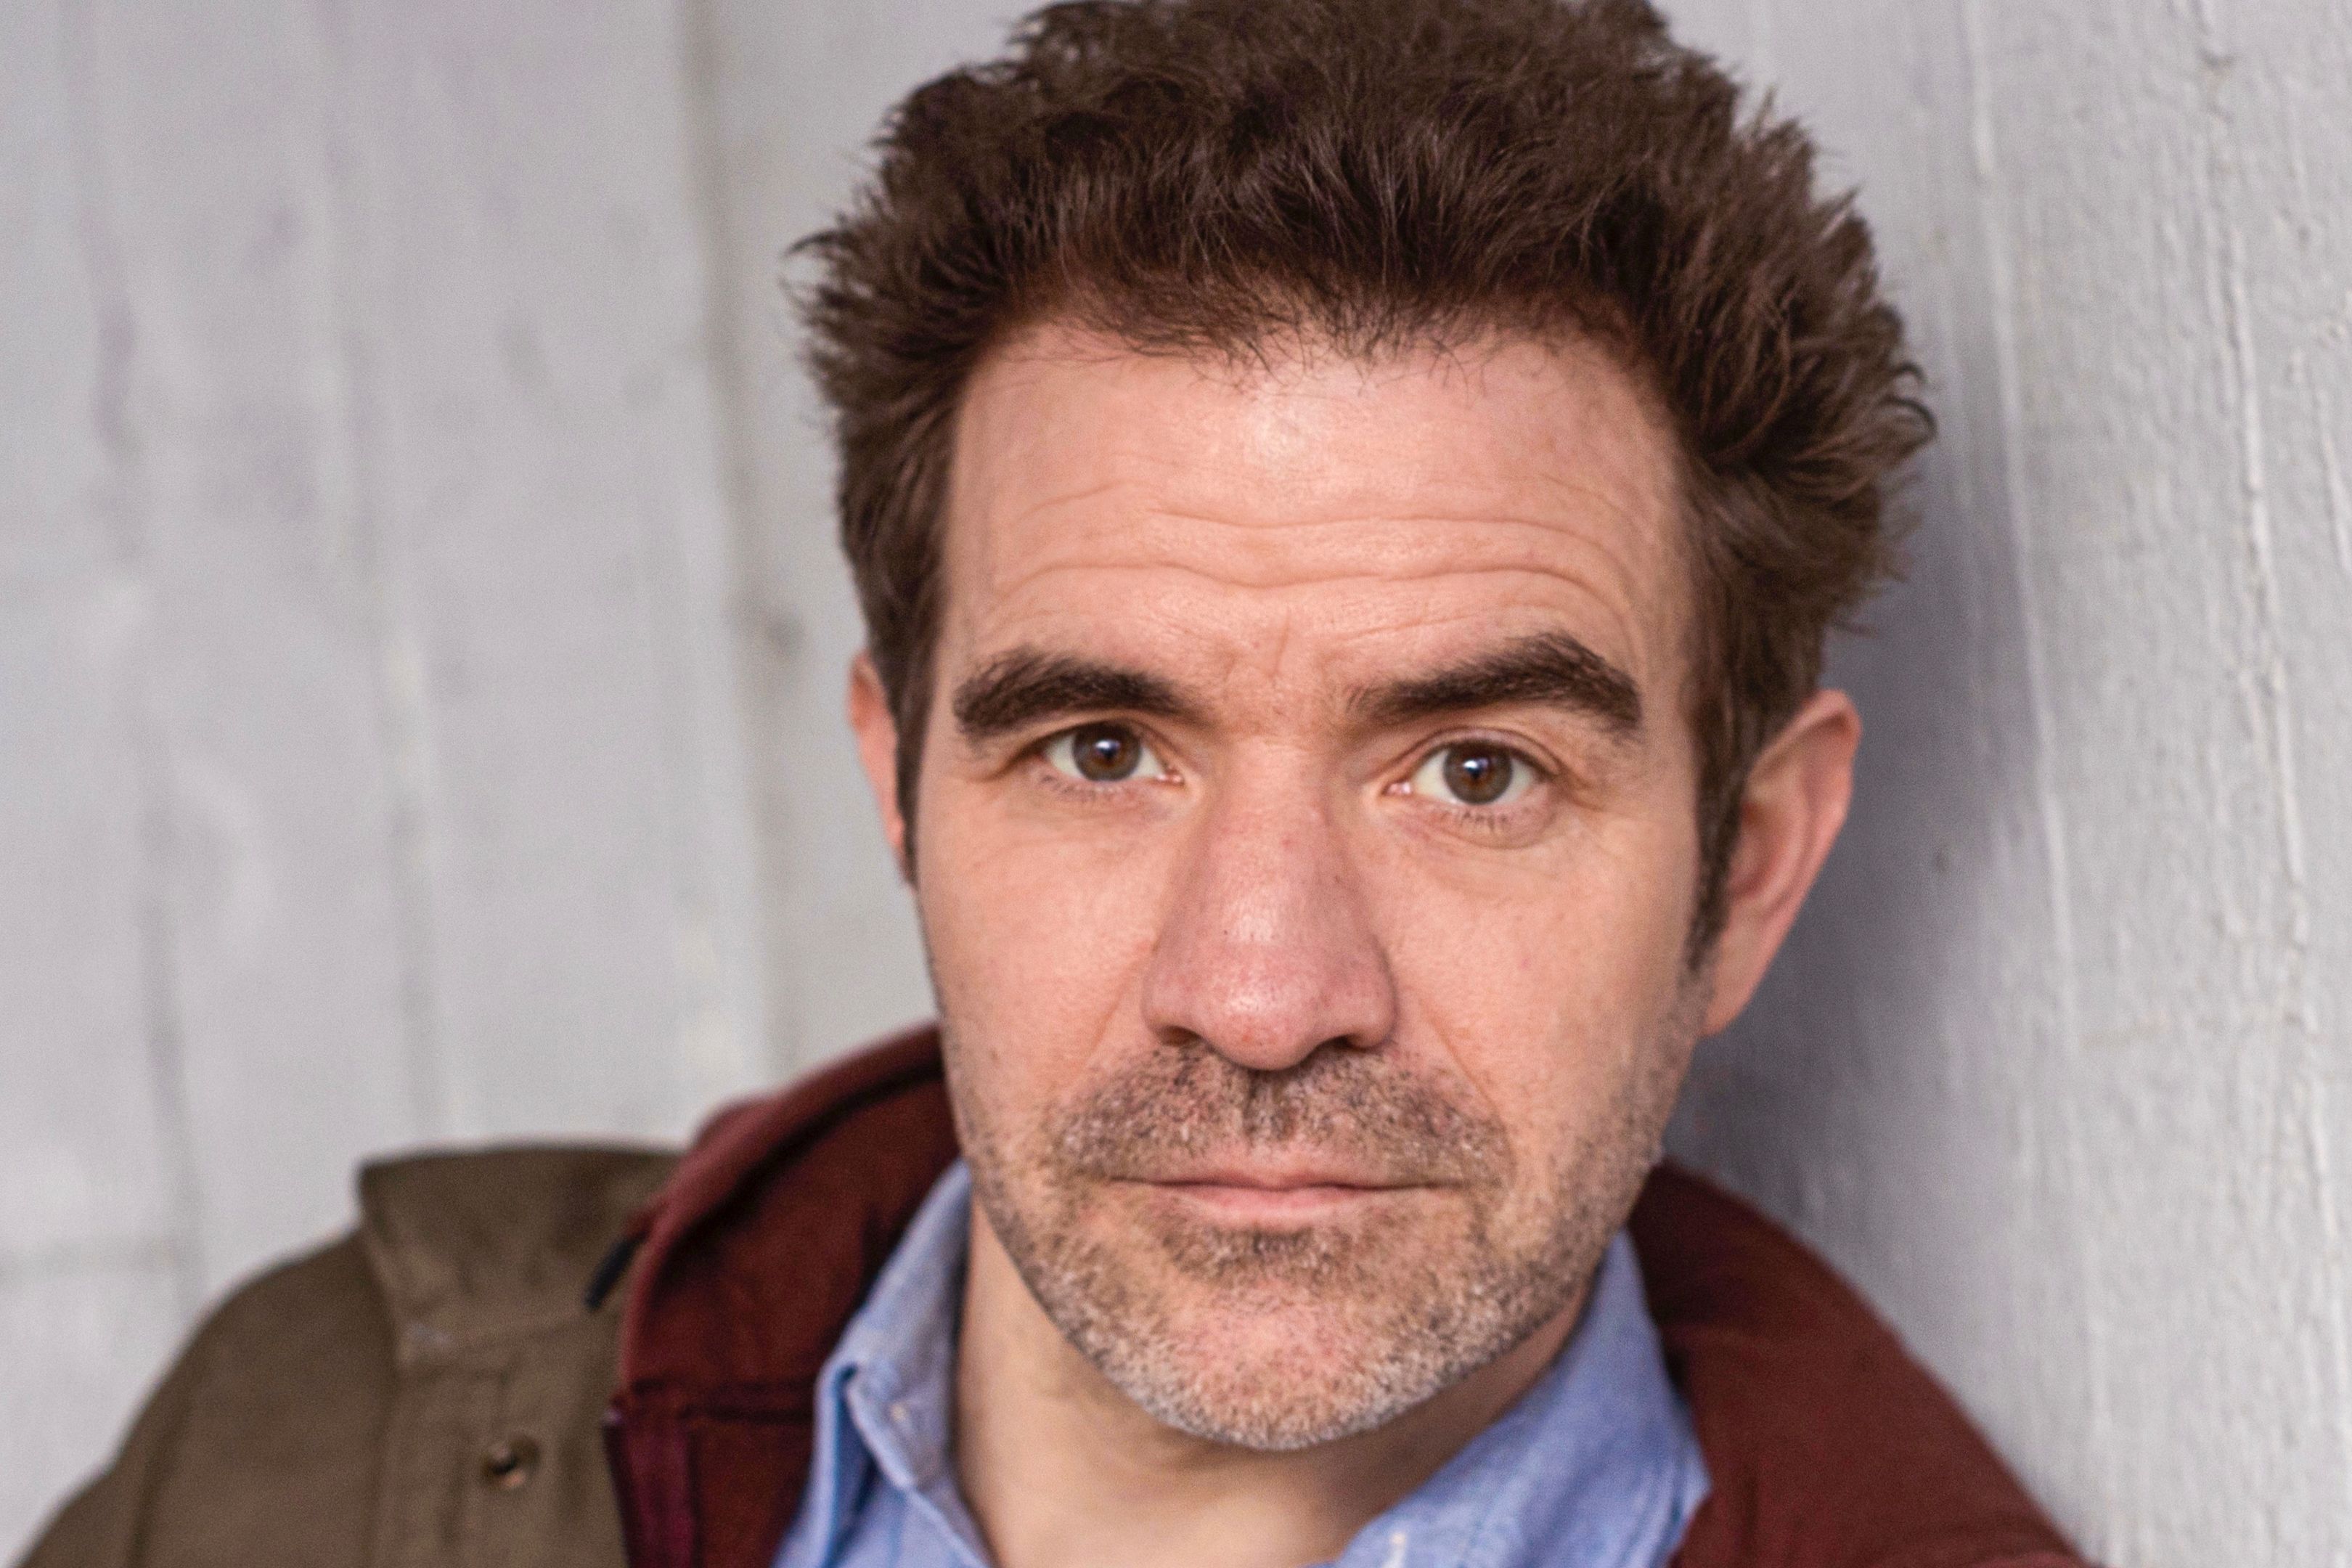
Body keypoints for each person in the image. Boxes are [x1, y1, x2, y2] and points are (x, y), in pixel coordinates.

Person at [23, 1, 2089, 1565]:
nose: (1261, 996)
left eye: (1475, 771)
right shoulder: (311, 1437)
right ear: (899, 788)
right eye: (1104, 751)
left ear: (1748, 873)